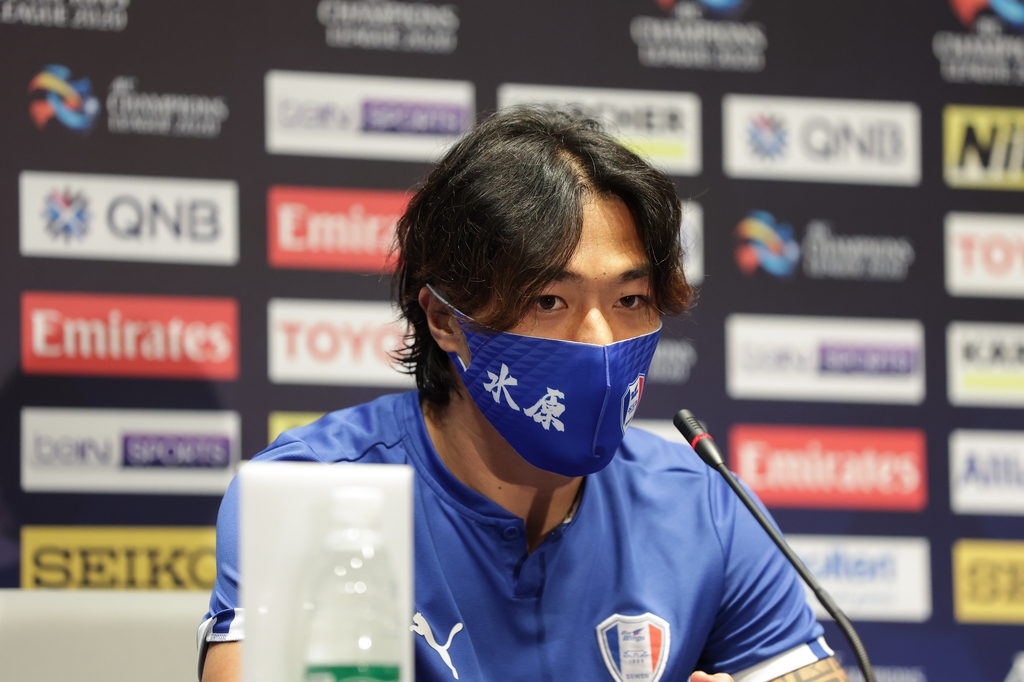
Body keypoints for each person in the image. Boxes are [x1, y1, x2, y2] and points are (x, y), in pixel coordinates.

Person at [198, 106, 849, 682]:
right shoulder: (320, 495)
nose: (600, 340)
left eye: (629, 300)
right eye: (549, 301)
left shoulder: (705, 508)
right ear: (445, 318)